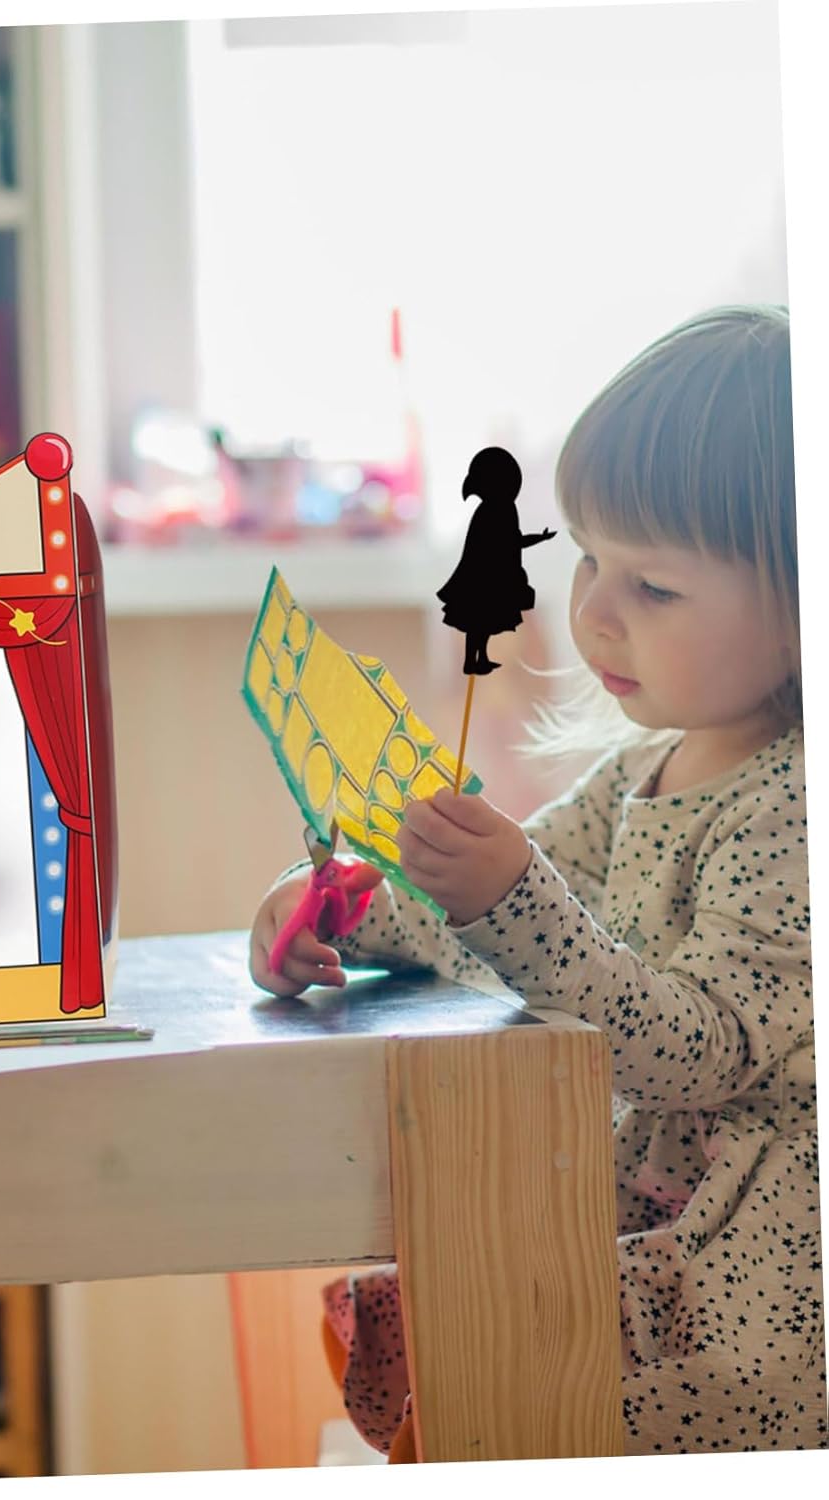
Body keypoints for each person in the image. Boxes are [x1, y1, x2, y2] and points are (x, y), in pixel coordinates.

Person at [247, 305, 823, 1457]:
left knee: (493, 1375)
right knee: (447, 1333)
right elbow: (495, 914)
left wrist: (508, 897)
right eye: (591, 559)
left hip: (747, 1300)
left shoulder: (794, 806)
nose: (593, 611)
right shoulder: (643, 770)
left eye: (655, 588)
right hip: (644, 1220)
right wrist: (353, 910)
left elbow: (692, 1049)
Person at [435, 445, 556, 674]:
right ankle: (474, 659)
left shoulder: (505, 511)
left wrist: (539, 538)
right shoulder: (489, 512)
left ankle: (479, 657)